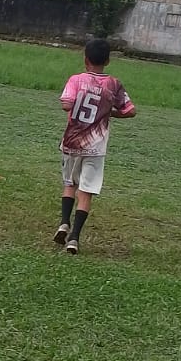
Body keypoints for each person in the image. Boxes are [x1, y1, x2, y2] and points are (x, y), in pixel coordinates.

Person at [55, 36, 136, 255]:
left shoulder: (76, 79)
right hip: (96, 146)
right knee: (86, 190)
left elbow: (66, 104)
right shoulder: (114, 84)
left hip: (72, 141)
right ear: (108, 61)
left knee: (69, 183)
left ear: (85, 59)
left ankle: (63, 223)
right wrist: (109, 112)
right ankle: (74, 238)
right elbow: (130, 111)